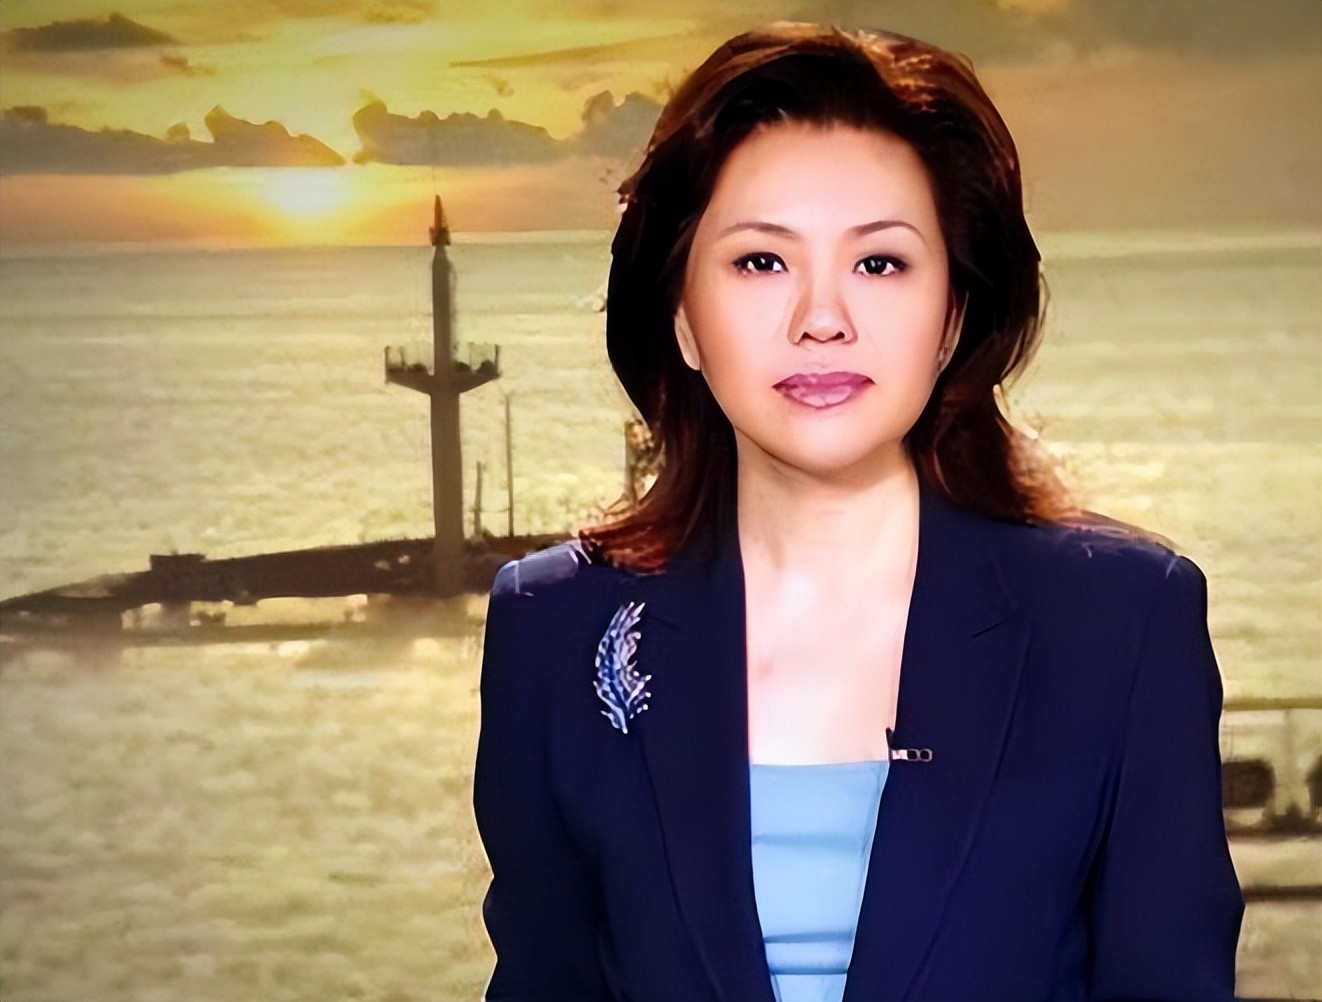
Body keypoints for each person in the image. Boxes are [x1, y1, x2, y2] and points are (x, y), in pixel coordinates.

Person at [472, 21, 1243, 1002]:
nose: (822, 319)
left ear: (952, 317)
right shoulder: (552, 626)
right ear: (681, 318)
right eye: (761, 262)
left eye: (879, 264)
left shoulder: (1124, 622)